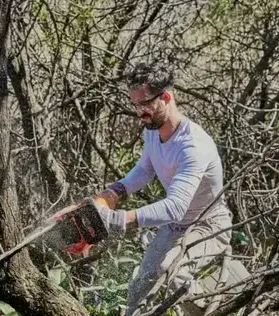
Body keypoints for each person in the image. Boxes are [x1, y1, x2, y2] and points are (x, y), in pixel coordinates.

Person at [91, 63, 233, 316]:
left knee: (174, 273)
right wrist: (114, 192)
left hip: (208, 224)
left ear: (166, 97)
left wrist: (120, 220)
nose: (139, 112)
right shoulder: (153, 131)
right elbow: (145, 170)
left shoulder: (192, 146)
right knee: (139, 289)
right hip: (174, 227)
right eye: (135, 105)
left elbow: (176, 206)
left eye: (144, 103)